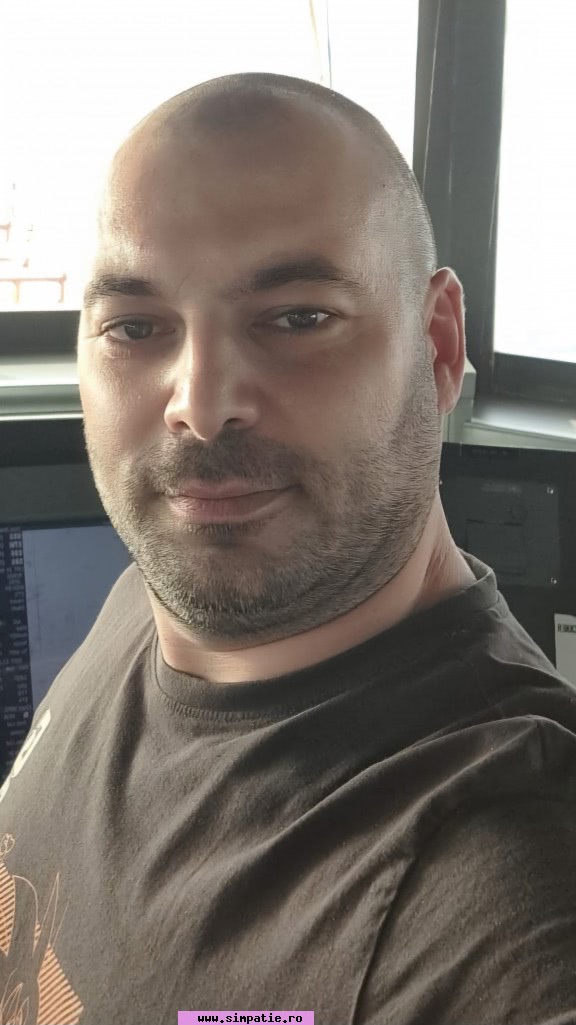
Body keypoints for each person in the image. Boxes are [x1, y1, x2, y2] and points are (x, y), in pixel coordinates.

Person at [1, 72, 576, 1025]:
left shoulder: (500, 887)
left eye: (299, 317)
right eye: (135, 327)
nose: (200, 404)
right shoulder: (149, 597)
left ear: (438, 346)